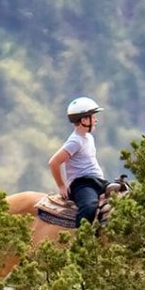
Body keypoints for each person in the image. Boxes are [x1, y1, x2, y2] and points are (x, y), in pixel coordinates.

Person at [48, 96, 108, 230]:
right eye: (93, 117)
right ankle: (81, 243)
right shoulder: (75, 141)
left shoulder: (89, 137)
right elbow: (54, 162)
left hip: (97, 182)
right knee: (89, 207)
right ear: (84, 120)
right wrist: (62, 186)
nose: (96, 120)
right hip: (82, 184)